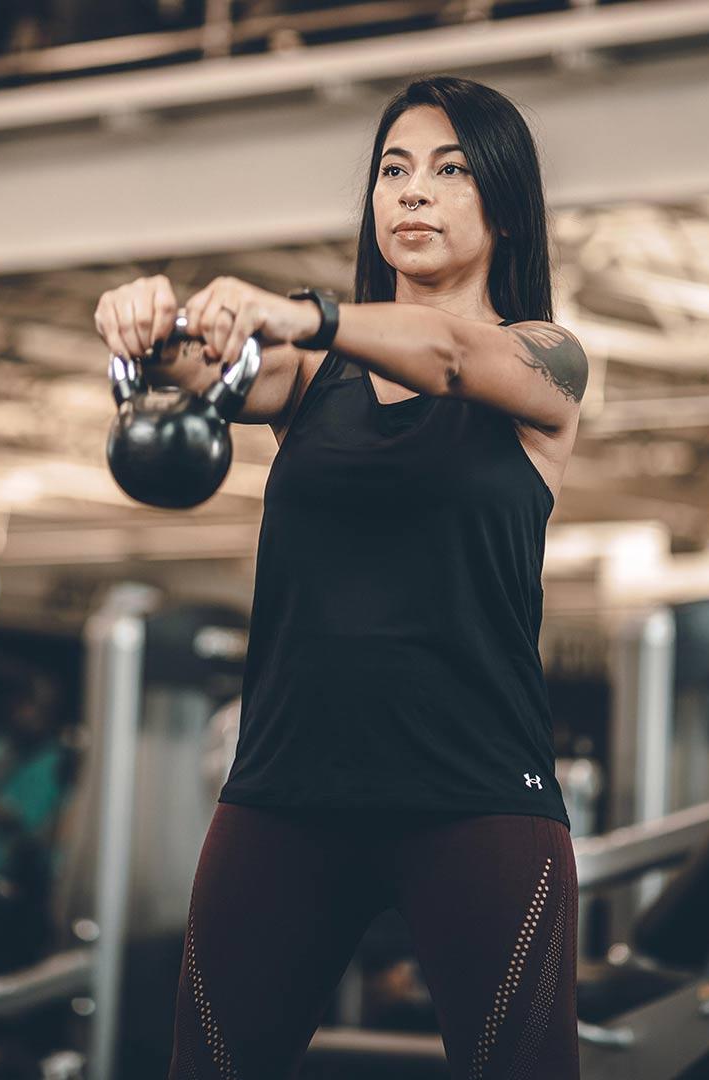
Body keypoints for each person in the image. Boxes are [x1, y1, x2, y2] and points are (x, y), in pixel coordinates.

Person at [93, 74, 592, 1080]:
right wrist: (145, 323)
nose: (415, 192)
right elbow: (193, 369)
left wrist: (303, 311)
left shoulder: (546, 363)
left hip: (477, 793)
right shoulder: (306, 380)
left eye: (449, 171)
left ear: (502, 203)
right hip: (286, 791)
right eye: (394, 170)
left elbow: (451, 355)